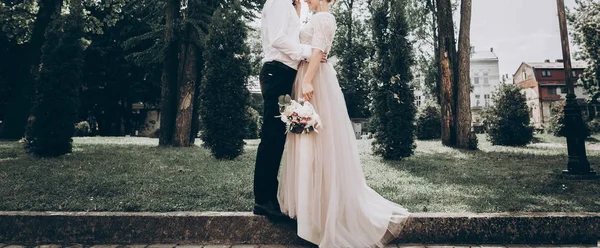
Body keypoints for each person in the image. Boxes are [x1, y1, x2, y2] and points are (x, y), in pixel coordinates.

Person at [276, 0, 411, 247]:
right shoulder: (313, 17)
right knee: (307, 143)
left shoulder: (325, 18)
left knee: (318, 143)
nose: (305, 0)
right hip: (306, 76)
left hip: (314, 81)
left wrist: (307, 81)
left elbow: (317, 52)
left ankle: (322, 213)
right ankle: (309, 211)